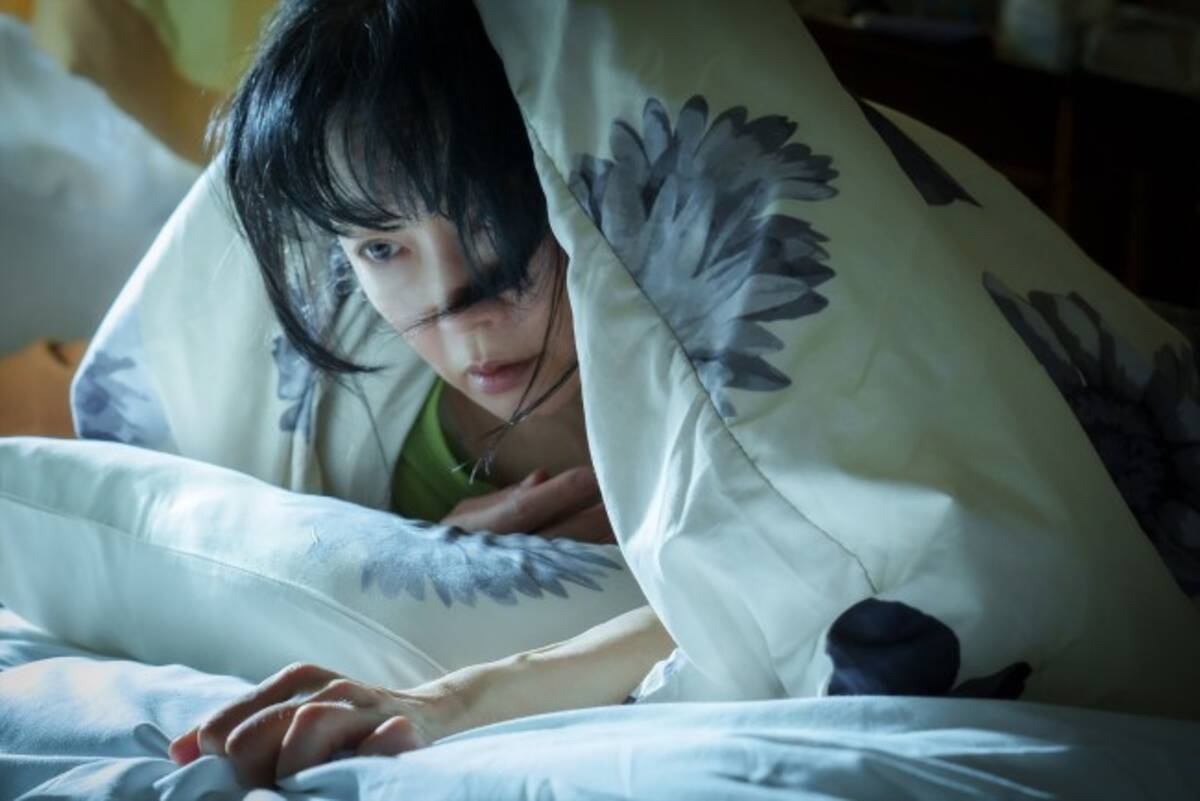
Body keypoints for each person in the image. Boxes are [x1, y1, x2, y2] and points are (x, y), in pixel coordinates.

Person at [167, 0, 674, 787]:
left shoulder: (726, 407)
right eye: (380, 247)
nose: (451, 302)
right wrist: (427, 566)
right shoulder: (360, 443)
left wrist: (459, 695)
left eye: (489, 218)